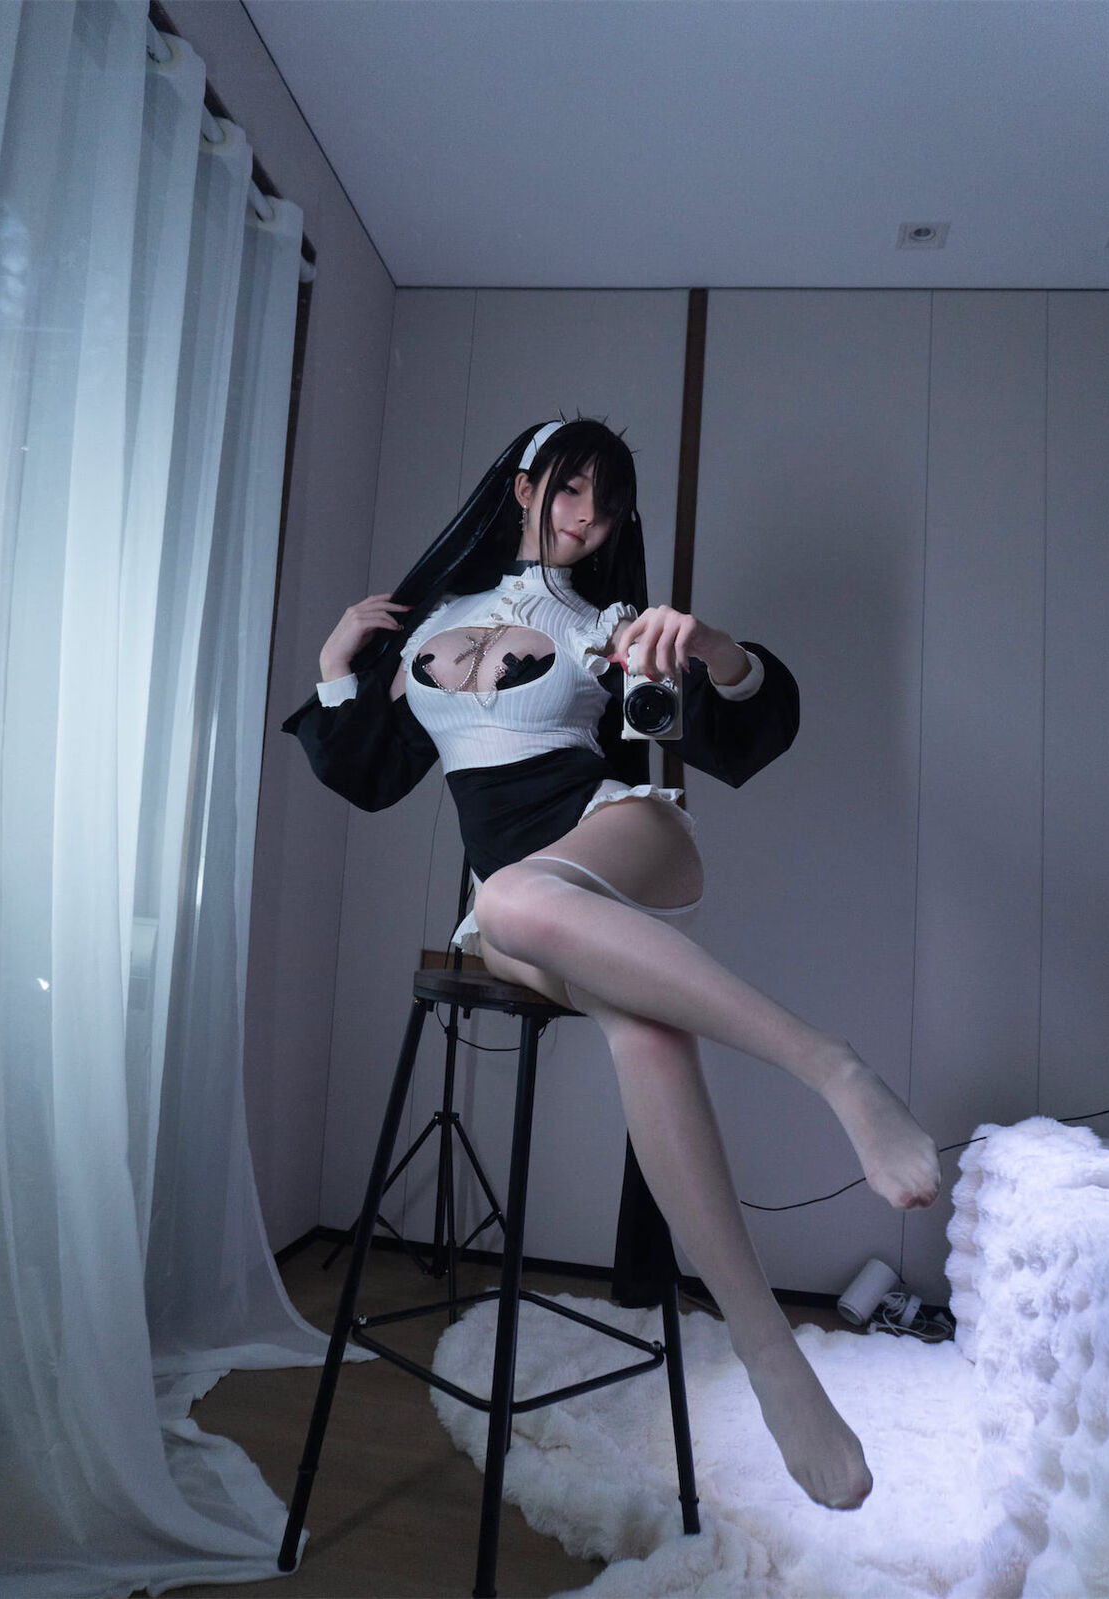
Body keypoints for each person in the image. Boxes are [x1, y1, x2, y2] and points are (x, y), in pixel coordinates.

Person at [285, 417, 940, 1512]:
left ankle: (834, 1069)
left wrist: (713, 647)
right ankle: (773, 1357)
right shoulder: (431, 626)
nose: (586, 517)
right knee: (633, 1016)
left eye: (608, 502)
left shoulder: (611, 626)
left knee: (509, 896)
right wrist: (334, 665)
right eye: (570, 489)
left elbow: (747, 731)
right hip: (521, 901)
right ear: (525, 487)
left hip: (621, 837)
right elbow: (366, 775)